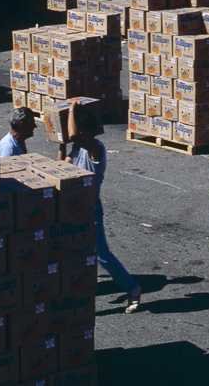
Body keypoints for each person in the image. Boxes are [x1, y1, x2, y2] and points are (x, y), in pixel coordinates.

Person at [58, 99, 142, 313]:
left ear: (85, 130)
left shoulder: (96, 148)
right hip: (72, 210)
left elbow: (73, 135)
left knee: (101, 254)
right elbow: (59, 167)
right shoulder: (76, 149)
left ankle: (132, 288)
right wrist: (61, 143)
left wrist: (70, 110)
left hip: (89, 209)